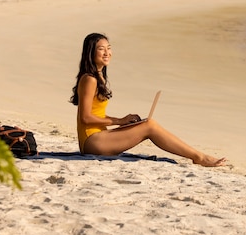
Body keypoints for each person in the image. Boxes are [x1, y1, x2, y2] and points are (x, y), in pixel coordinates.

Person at [70, 33, 226, 167]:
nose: (107, 53)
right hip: (92, 142)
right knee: (150, 126)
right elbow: (85, 117)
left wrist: (125, 122)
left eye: (109, 48)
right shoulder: (89, 79)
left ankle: (197, 156)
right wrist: (120, 121)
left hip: (99, 137)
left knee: (147, 124)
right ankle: (198, 157)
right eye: (101, 49)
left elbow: (95, 113)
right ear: (91, 52)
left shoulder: (99, 76)